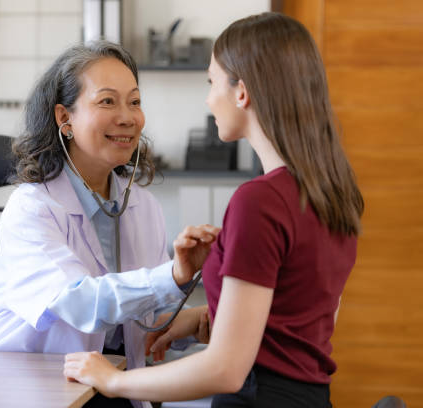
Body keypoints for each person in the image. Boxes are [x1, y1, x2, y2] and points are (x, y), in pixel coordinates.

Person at [63, 12, 364, 408]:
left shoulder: (260, 202)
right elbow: (299, 317)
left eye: (212, 82)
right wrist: (204, 315)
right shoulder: (332, 191)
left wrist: (113, 380)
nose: (208, 99)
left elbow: (225, 369)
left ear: (243, 92)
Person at [0, 41, 219, 408]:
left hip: (105, 385)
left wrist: (193, 320)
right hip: (22, 389)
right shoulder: (32, 207)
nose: (128, 117)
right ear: (64, 119)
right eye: (107, 101)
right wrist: (174, 275)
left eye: (134, 101)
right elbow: (81, 303)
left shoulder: (143, 207)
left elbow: (138, 320)